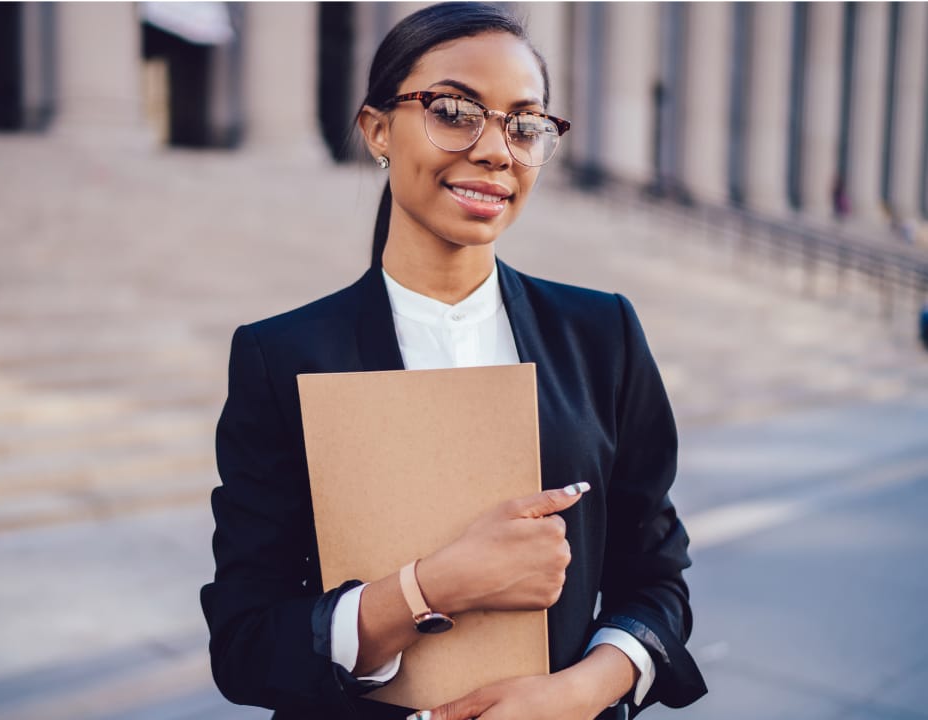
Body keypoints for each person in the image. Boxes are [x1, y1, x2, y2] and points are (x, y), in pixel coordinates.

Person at [201, 4, 707, 719]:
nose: (497, 151)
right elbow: (246, 645)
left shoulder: (602, 335)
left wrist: (581, 692)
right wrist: (431, 587)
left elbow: (657, 579)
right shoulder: (281, 357)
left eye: (525, 124)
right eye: (453, 109)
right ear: (377, 128)